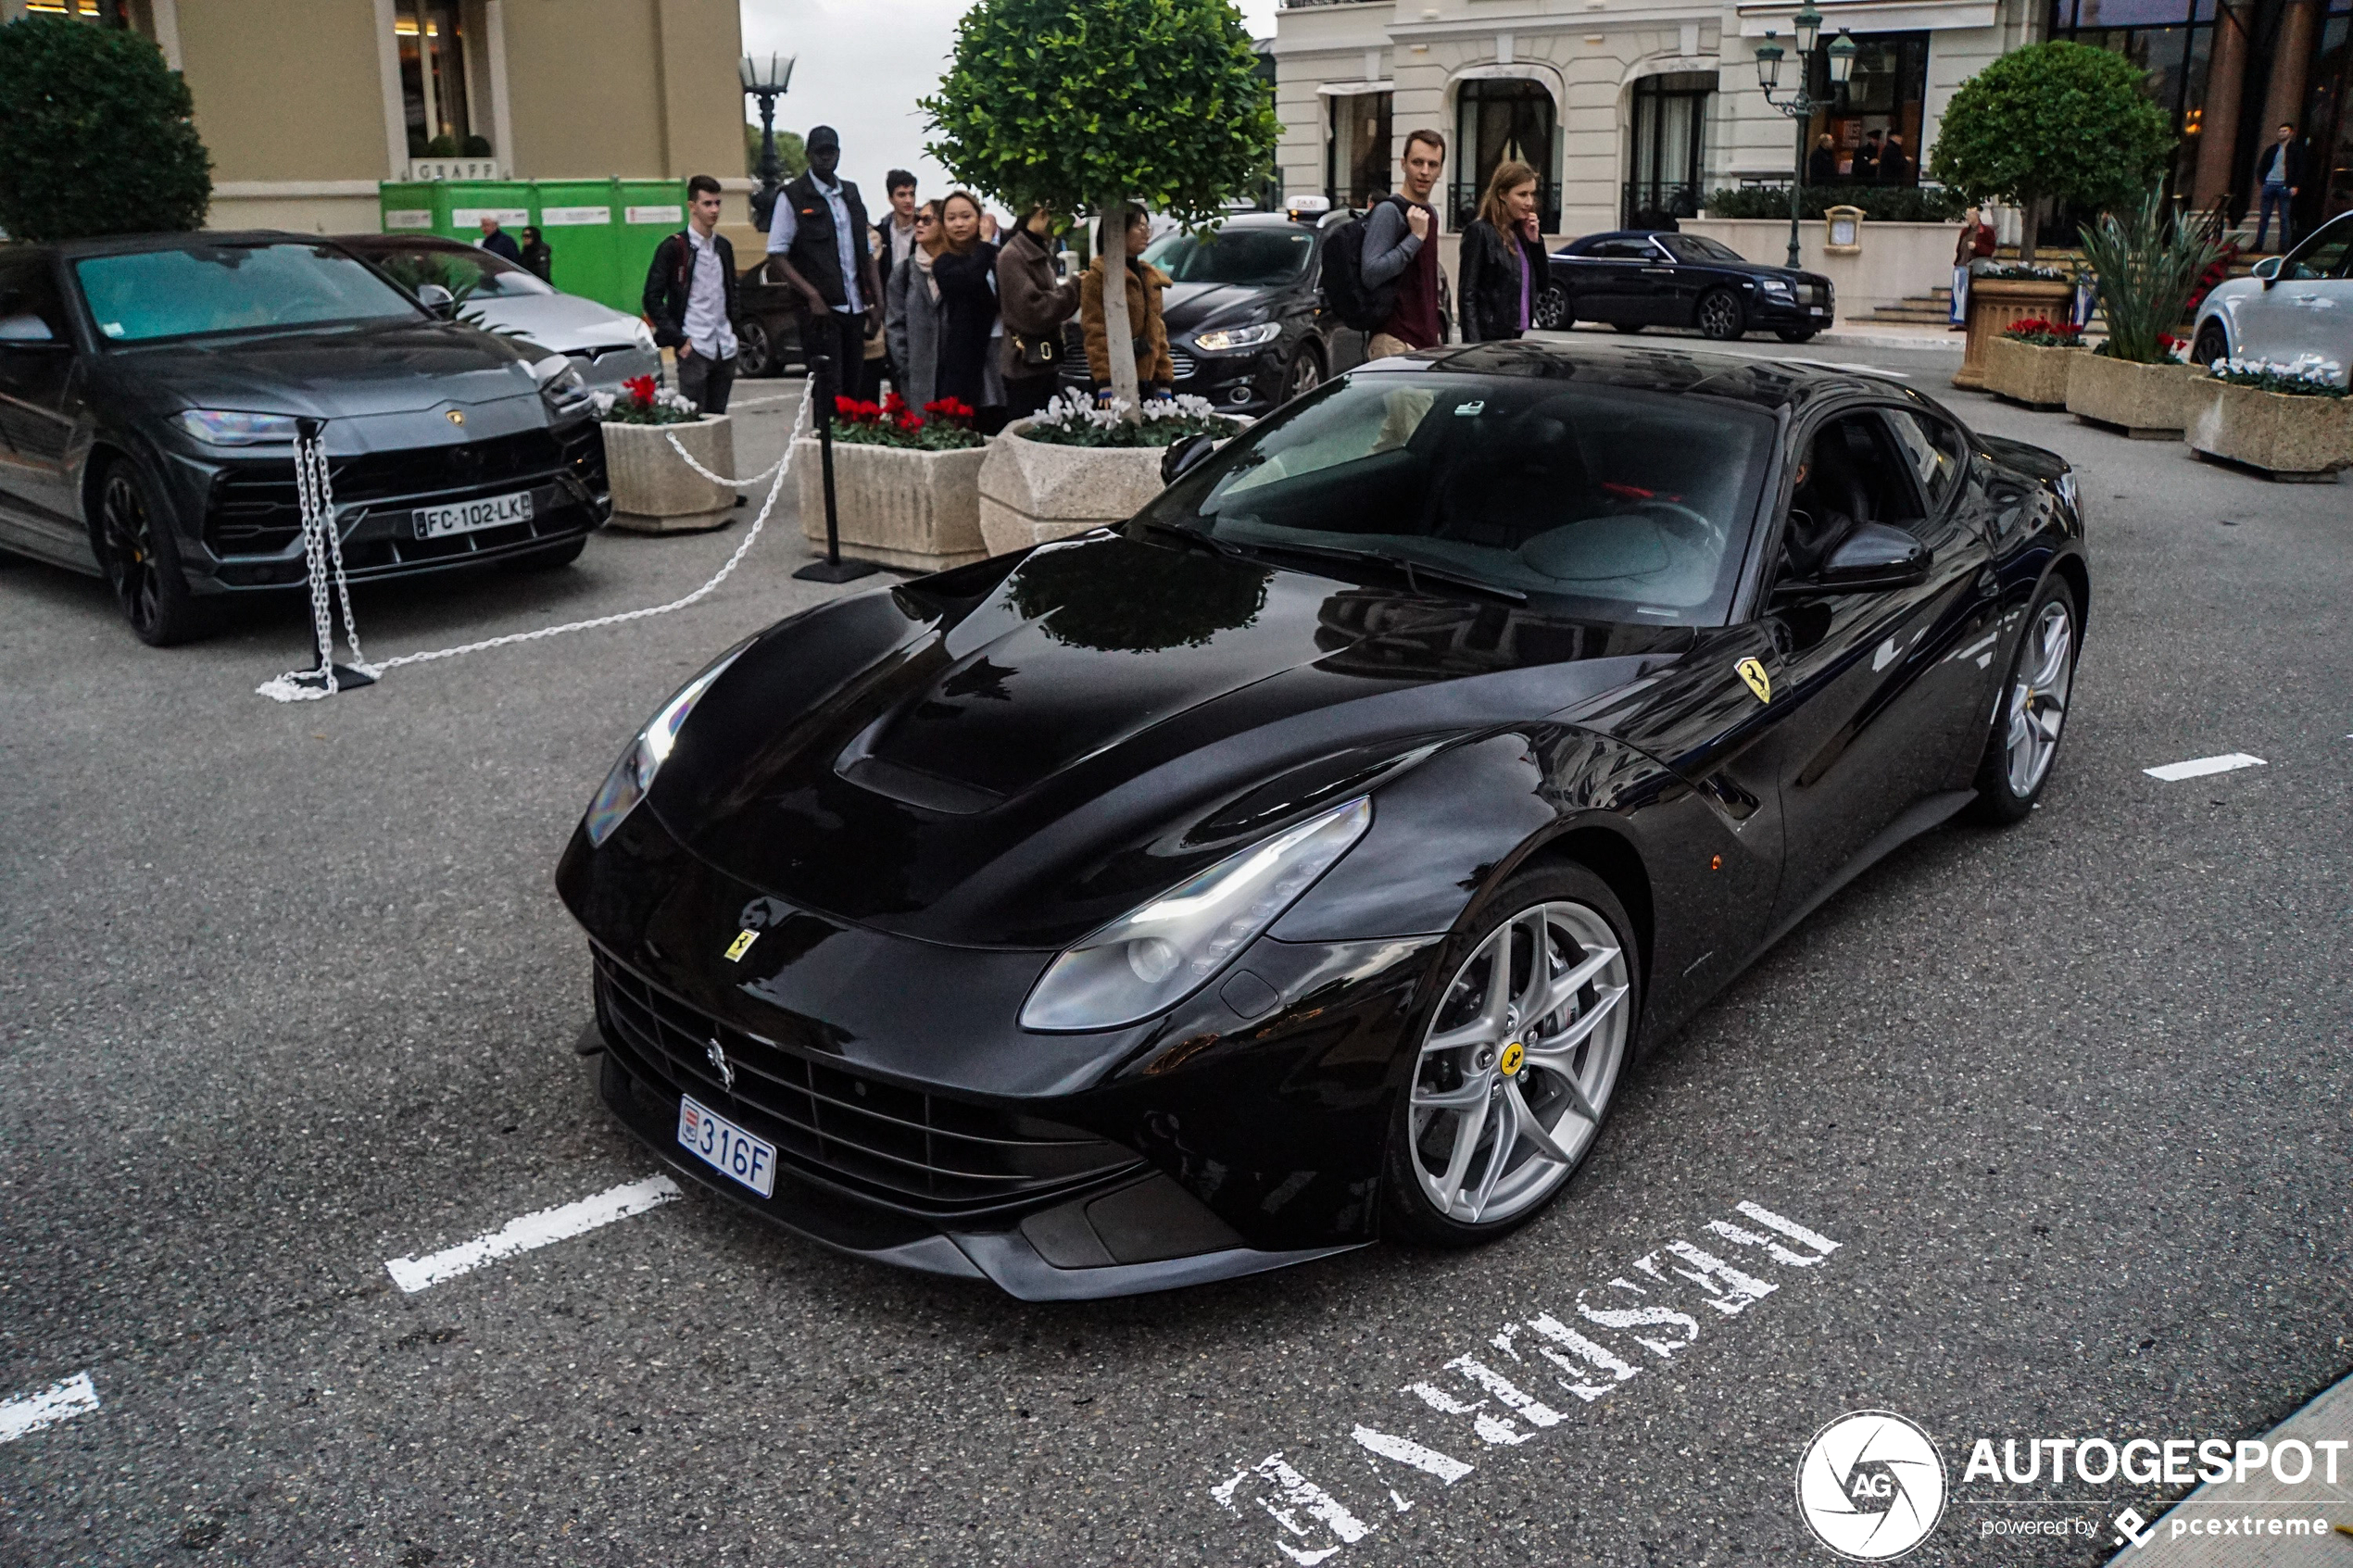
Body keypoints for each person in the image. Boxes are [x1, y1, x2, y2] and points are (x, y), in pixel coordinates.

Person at [765, 124, 884, 405]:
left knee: (855, 392)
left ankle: (849, 448)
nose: (825, 158)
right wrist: (812, 295)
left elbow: (867, 254)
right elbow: (776, 254)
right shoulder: (792, 196)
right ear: (808, 155)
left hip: (855, 310)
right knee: (828, 393)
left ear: (839, 154)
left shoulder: (851, 194)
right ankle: (826, 448)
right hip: (821, 314)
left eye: (830, 152)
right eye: (819, 153)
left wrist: (879, 303)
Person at [641, 174, 740, 414]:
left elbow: (730, 293)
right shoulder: (674, 247)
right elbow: (651, 298)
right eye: (707, 204)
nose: (714, 210)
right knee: (693, 420)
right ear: (692, 206)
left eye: (717, 203)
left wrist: (734, 333)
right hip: (694, 346)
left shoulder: (723, 247)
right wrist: (679, 339)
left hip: (724, 346)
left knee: (718, 421)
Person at [1362, 128, 1448, 358]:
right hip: (1394, 339)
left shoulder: (1431, 213)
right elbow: (1371, 272)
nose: (1424, 171)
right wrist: (1414, 239)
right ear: (1403, 164)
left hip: (1425, 342)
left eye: (1433, 164)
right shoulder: (1389, 211)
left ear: (1440, 170)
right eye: (1417, 162)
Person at [1080, 203, 1175, 402]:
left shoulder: (1149, 276)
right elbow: (1095, 331)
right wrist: (1105, 381)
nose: (1145, 233)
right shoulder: (1097, 276)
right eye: (1138, 227)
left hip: (1147, 379)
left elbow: (1158, 331)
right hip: (1113, 380)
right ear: (1117, 229)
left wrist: (1164, 378)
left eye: (1146, 227)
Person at [999, 203, 1081, 420]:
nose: (1062, 226)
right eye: (1059, 218)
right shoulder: (1014, 255)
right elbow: (1034, 311)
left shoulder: (1035, 249)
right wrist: (1074, 288)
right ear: (1042, 214)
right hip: (1025, 364)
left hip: (1042, 361)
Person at [931, 190, 1006, 429]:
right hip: (968, 356)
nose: (959, 224)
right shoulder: (944, 262)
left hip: (1002, 347)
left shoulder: (997, 256)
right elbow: (970, 278)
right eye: (951, 218)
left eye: (966, 216)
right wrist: (985, 243)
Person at [1456, 160, 1548, 344]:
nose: (1529, 202)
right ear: (1502, 194)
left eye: (1532, 194)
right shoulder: (1480, 232)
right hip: (1488, 338)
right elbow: (1467, 294)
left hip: (1515, 336)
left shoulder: (1521, 234)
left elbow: (1544, 284)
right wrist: (1473, 348)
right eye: (1522, 194)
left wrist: (1535, 242)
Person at [886, 200, 946, 408]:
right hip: (915, 382)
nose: (919, 224)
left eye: (927, 220)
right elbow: (894, 325)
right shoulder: (903, 272)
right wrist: (906, 366)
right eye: (918, 219)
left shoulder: (956, 269)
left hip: (951, 379)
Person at [875, 169, 919, 393]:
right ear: (891, 198)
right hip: (892, 306)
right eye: (902, 195)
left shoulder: (924, 228)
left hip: (919, 303)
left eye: (912, 194)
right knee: (896, 367)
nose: (908, 200)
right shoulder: (880, 233)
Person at [2254, 123, 2302, 251]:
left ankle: (2284, 247)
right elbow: (2262, 166)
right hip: (2269, 184)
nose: (2281, 133)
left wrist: (2295, 185)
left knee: (2284, 218)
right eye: (2280, 131)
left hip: (2284, 186)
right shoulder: (2271, 149)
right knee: (2264, 216)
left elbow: (2299, 169)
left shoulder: (2295, 150)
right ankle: (2258, 244)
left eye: (2284, 131)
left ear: (2291, 133)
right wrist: (2263, 181)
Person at [1949, 205, 1996, 329]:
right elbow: (1959, 248)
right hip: (1962, 266)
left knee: (1969, 296)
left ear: (1976, 216)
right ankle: (1958, 322)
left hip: (1974, 267)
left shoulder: (1986, 231)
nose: (1967, 218)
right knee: (1958, 295)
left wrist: (1977, 247)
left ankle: (1968, 322)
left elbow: (1990, 250)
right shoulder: (1965, 231)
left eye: (1969, 215)